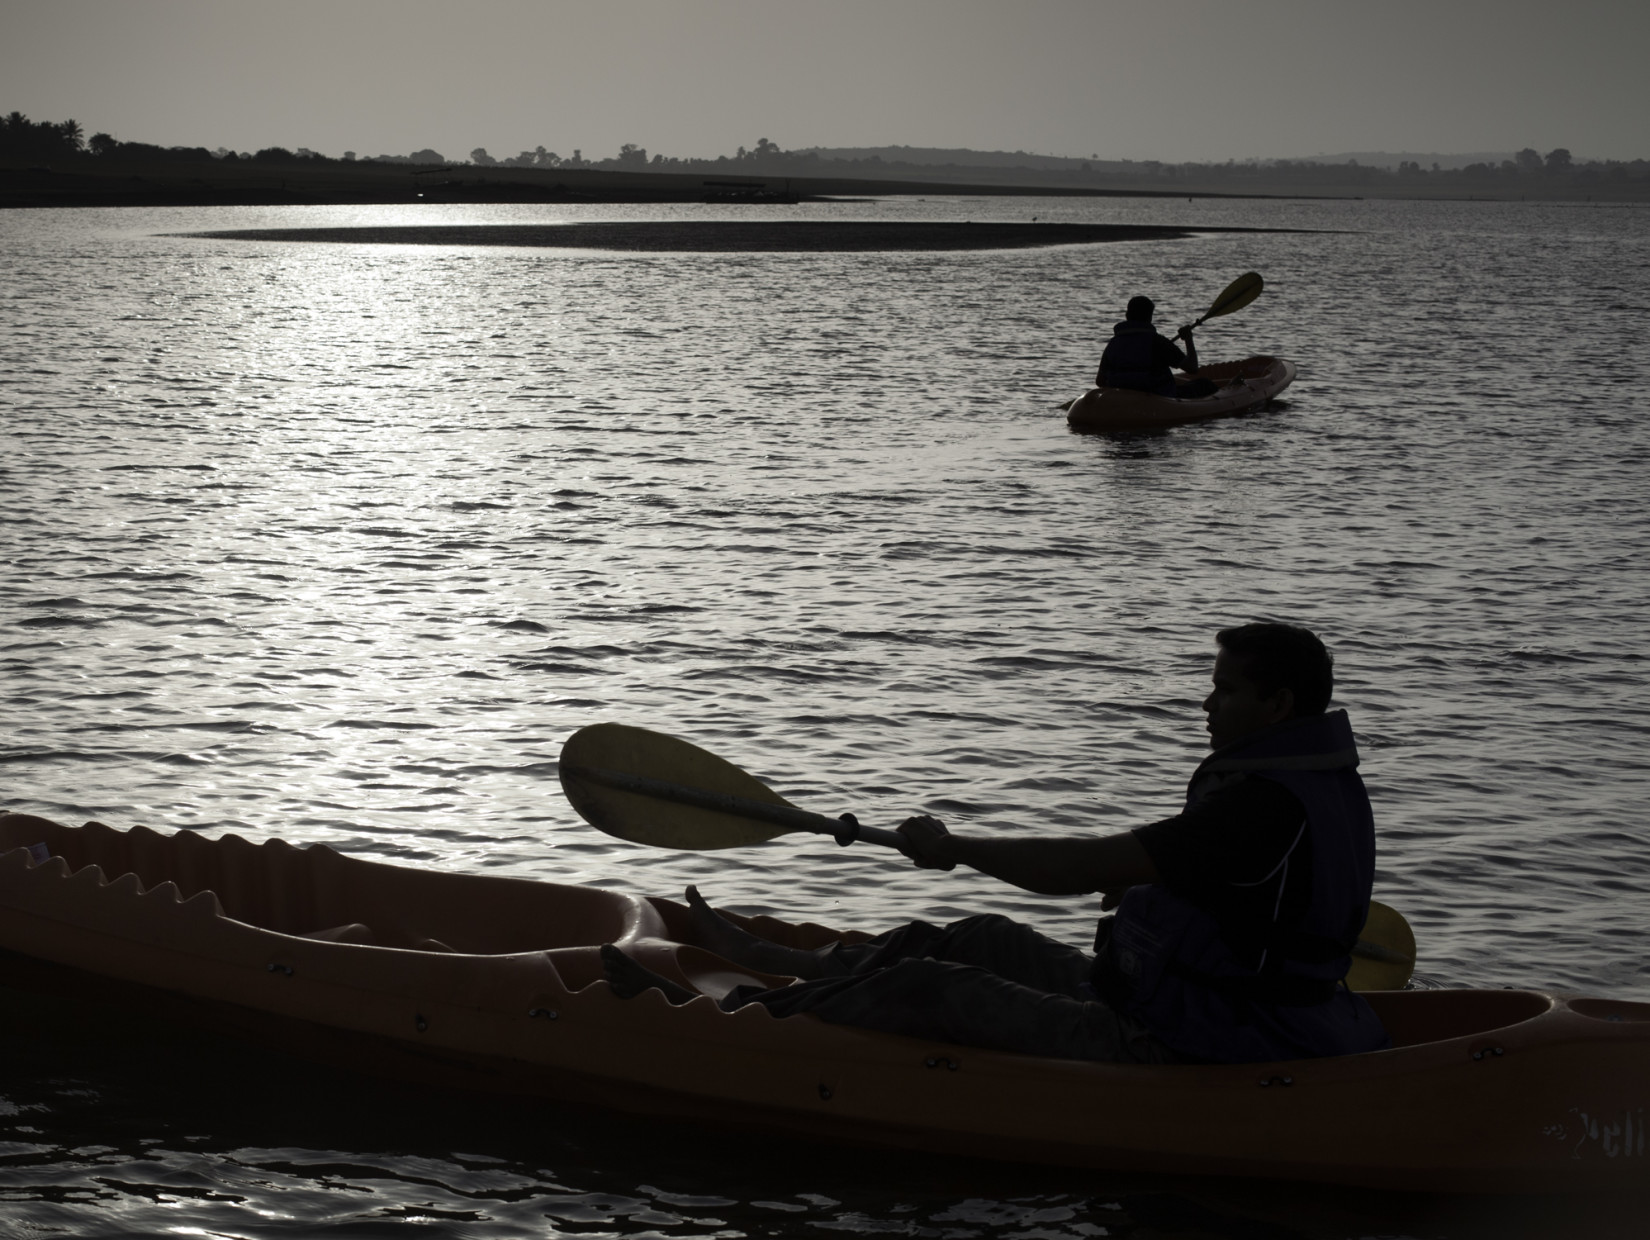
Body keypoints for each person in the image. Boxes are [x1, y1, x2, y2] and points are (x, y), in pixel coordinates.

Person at [601, 622, 1391, 1066]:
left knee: (931, 987)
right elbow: (1234, 891)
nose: (1205, 702)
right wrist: (1160, 894)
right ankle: (787, 965)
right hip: (1187, 999)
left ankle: (730, 1023)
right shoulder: (1309, 782)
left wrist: (956, 848)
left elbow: (1080, 869)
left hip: (1200, 1036)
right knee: (985, 937)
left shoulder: (1260, 806)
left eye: (1225, 688)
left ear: (1279, 702)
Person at [1096, 295, 1217, 399]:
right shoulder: (1158, 342)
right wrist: (1188, 339)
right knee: (1205, 384)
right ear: (1150, 318)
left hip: (1122, 397)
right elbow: (1192, 368)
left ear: (1127, 315)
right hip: (1157, 398)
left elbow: (1100, 381)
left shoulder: (1113, 343)